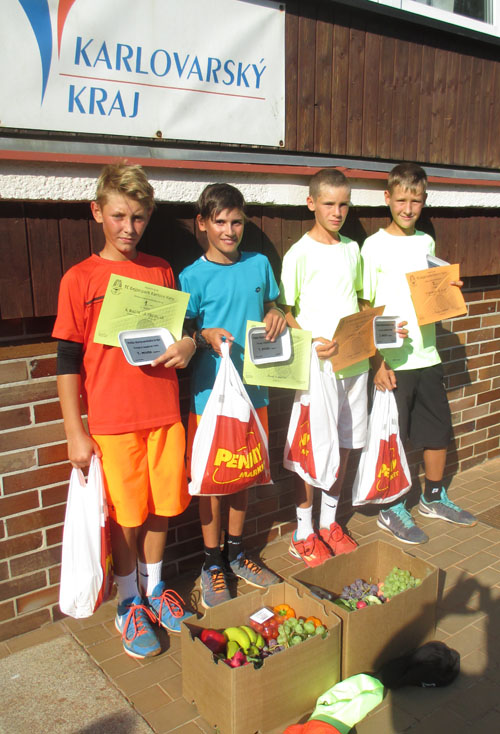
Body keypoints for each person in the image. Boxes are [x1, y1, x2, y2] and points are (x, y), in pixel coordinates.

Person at [53, 163, 196, 659]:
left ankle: (155, 588)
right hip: (114, 422)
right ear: (97, 212)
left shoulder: (161, 270)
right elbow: (67, 359)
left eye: (138, 217)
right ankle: (128, 601)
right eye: (118, 216)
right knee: (125, 516)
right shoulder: (79, 278)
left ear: (149, 215)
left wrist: (189, 344)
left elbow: (179, 330)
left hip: (164, 413)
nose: (129, 227)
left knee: (162, 506)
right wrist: (75, 431)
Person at [179, 183, 285, 607]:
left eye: (236, 222)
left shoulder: (259, 265)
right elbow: (184, 331)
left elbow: (274, 306)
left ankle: (237, 554)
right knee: (211, 480)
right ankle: (212, 563)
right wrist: (202, 334)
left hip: (254, 391)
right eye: (219, 221)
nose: (229, 230)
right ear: (202, 224)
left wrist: (276, 314)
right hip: (210, 396)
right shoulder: (191, 276)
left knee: (245, 474)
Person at [360, 162, 477, 544]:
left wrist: (450, 293)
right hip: (393, 360)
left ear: (424, 201)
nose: (408, 208)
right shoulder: (373, 246)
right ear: (387, 198)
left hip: (427, 354)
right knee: (392, 437)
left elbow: (431, 296)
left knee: (437, 429)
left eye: (416, 201)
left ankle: (433, 497)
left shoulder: (426, 242)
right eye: (401, 200)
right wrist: (377, 362)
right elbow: (366, 307)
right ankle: (391, 507)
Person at [279, 168, 368, 568]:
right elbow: (285, 311)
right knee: (312, 447)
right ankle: (303, 531)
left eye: (344, 204)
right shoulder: (298, 253)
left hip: (354, 364)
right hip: (319, 370)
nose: (337, 212)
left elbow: (361, 301)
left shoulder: (352, 249)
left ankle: (330, 523)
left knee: (346, 442)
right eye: (329, 204)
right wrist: (311, 340)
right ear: (311, 203)